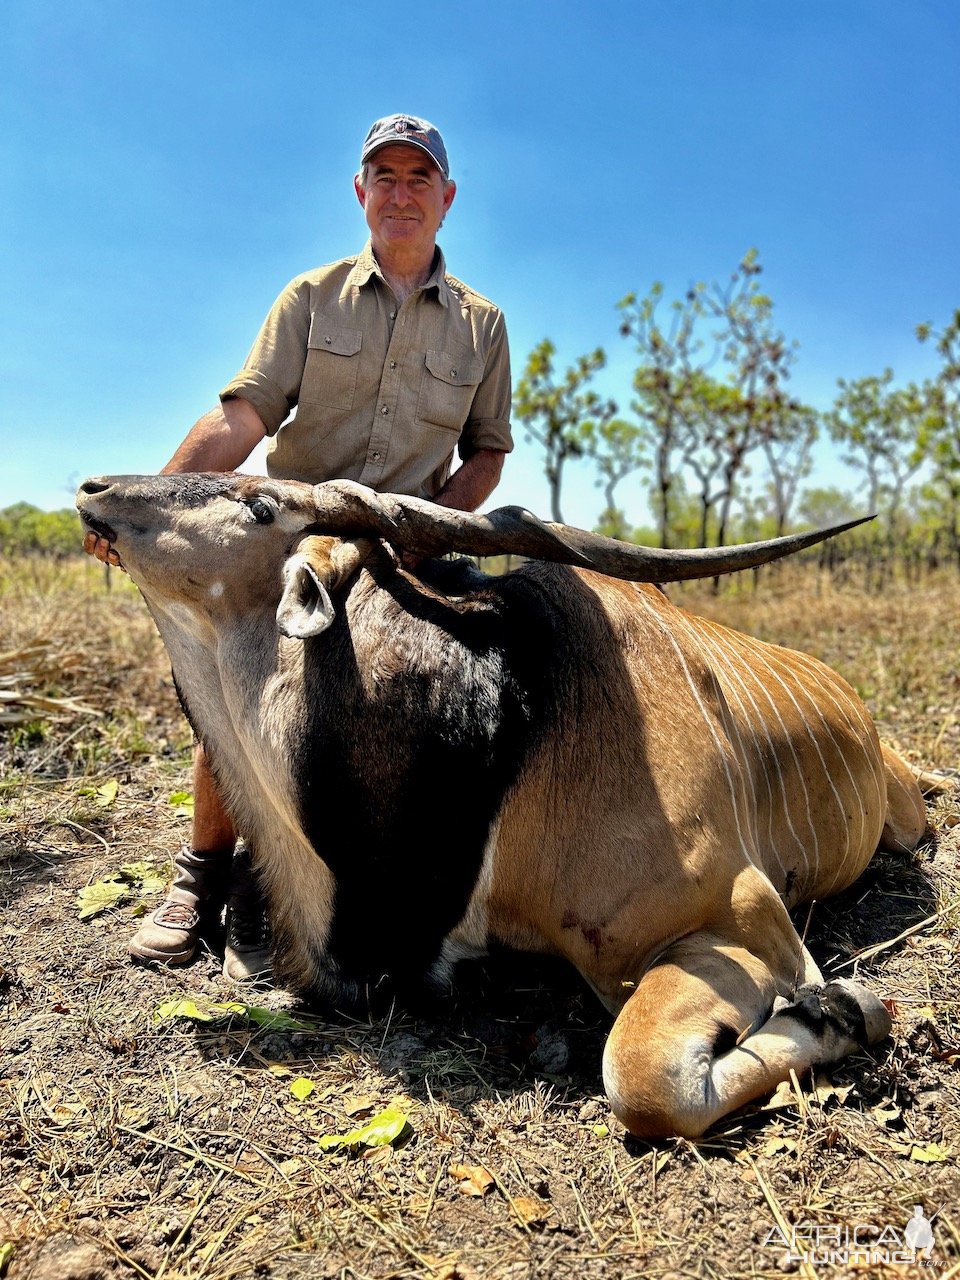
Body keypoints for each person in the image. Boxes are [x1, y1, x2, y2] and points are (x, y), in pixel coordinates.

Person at [84, 113, 512, 980]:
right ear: (361, 193)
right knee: (235, 677)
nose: (400, 193)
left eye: (417, 178)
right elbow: (244, 418)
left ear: (447, 199)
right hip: (288, 537)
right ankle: (202, 879)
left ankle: (328, 881)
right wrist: (154, 505)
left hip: (400, 549)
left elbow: (487, 453)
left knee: (480, 673)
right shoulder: (310, 297)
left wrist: (432, 531)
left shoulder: (483, 324)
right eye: (383, 177)